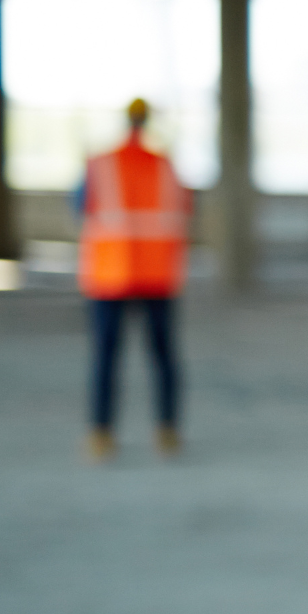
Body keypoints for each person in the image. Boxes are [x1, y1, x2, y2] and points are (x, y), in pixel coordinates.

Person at [74, 98, 192, 462]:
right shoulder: (165, 166)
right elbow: (185, 209)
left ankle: (101, 434)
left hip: (111, 276)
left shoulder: (101, 165)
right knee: (163, 356)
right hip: (158, 276)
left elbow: (80, 206)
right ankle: (167, 431)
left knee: (106, 357)